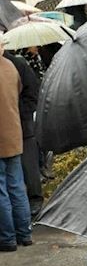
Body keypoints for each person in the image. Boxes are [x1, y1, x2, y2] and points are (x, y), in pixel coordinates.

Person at [0, 40, 32, 251]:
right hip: (13, 133)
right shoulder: (10, 66)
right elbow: (19, 91)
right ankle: (25, 233)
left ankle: (7, 238)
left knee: (1, 190)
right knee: (16, 187)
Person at [5, 51, 43, 216]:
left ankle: (35, 199)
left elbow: (32, 93)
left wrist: (19, 112)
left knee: (28, 167)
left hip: (23, 125)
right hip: (12, 125)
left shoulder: (16, 64)